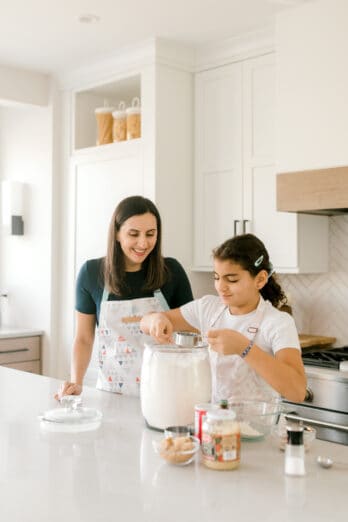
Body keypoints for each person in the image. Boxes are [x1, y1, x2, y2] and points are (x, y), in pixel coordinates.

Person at [140, 233, 306, 403]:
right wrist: (155, 320)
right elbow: (145, 322)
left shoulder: (278, 323)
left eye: (232, 280)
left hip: (259, 428)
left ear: (260, 279)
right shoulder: (207, 308)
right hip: (216, 425)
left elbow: (297, 391)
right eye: (216, 277)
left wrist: (244, 348)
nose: (220, 287)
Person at [56, 195, 193, 399]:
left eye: (150, 234)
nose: (143, 243)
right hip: (112, 394)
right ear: (117, 234)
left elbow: (192, 327)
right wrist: (76, 382)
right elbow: (84, 338)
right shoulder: (92, 273)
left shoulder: (171, 271)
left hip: (166, 392)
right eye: (133, 234)